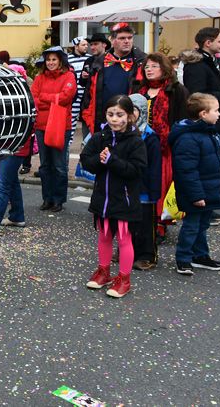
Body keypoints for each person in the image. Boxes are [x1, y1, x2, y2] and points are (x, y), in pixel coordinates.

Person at [80, 95, 147, 298]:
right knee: (104, 236)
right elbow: (86, 160)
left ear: (130, 116)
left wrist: (112, 160)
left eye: (119, 115)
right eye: (110, 114)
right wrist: (100, 161)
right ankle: (103, 271)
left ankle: (124, 279)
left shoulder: (135, 142)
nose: (114, 119)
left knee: (125, 240)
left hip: (124, 200)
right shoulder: (100, 137)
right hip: (103, 199)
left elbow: (137, 170)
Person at [170, 93, 220, 275]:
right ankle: (184, 258)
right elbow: (187, 170)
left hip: (207, 189)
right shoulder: (189, 138)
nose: (219, 114)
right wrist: (196, 195)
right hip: (197, 192)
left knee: (202, 224)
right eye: (216, 110)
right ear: (203, 114)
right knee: (192, 225)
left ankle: (200, 255)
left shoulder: (206, 132)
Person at [134, 53, 189, 238]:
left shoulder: (176, 90)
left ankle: (159, 224)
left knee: (160, 185)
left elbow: (182, 119)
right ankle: (142, 219)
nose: (149, 70)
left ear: (164, 68)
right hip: (140, 146)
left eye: (153, 66)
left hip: (165, 148)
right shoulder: (139, 91)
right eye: (146, 67)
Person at [31, 46, 77, 212]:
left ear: (60, 61)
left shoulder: (69, 76)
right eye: (48, 59)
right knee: (45, 166)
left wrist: (45, 98)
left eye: (54, 59)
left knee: (58, 165)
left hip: (60, 126)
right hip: (41, 126)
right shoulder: (39, 77)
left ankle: (58, 199)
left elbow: (66, 97)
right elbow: (34, 99)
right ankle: (47, 198)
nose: (50, 63)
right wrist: (53, 101)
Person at [81, 23, 146, 133]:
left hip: (130, 125)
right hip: (101, 124)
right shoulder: (99, 62)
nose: (127, 41)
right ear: (112, 40)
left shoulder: (142, 62)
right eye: (122, 38)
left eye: (129, 38)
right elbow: (89, 94)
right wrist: (88, 120)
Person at [181, 27, 220, 136]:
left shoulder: (211, 61)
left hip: (216, 122)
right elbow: (197, 95)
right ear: (208, 43)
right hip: (206, 125)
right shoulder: (196, 65)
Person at [128, 94, 162, 271]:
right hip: (127, 188)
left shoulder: (150, 136)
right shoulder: (122, 133)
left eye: (132, 110)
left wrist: (154, 191)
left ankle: (147, 255)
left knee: (146, 225)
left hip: (145, 189)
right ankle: (128, 251)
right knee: (127, 223)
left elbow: (155, 167)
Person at [67, 36, 89, 144]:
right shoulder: (67, 59)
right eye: (83, 45)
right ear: (76, 46)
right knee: (71, 120)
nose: (86, 47)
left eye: (86, 45)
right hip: (74, 96)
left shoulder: (89, 58)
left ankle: (87, 143)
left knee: (87, 119)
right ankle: (68, 143)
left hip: (87, 95)